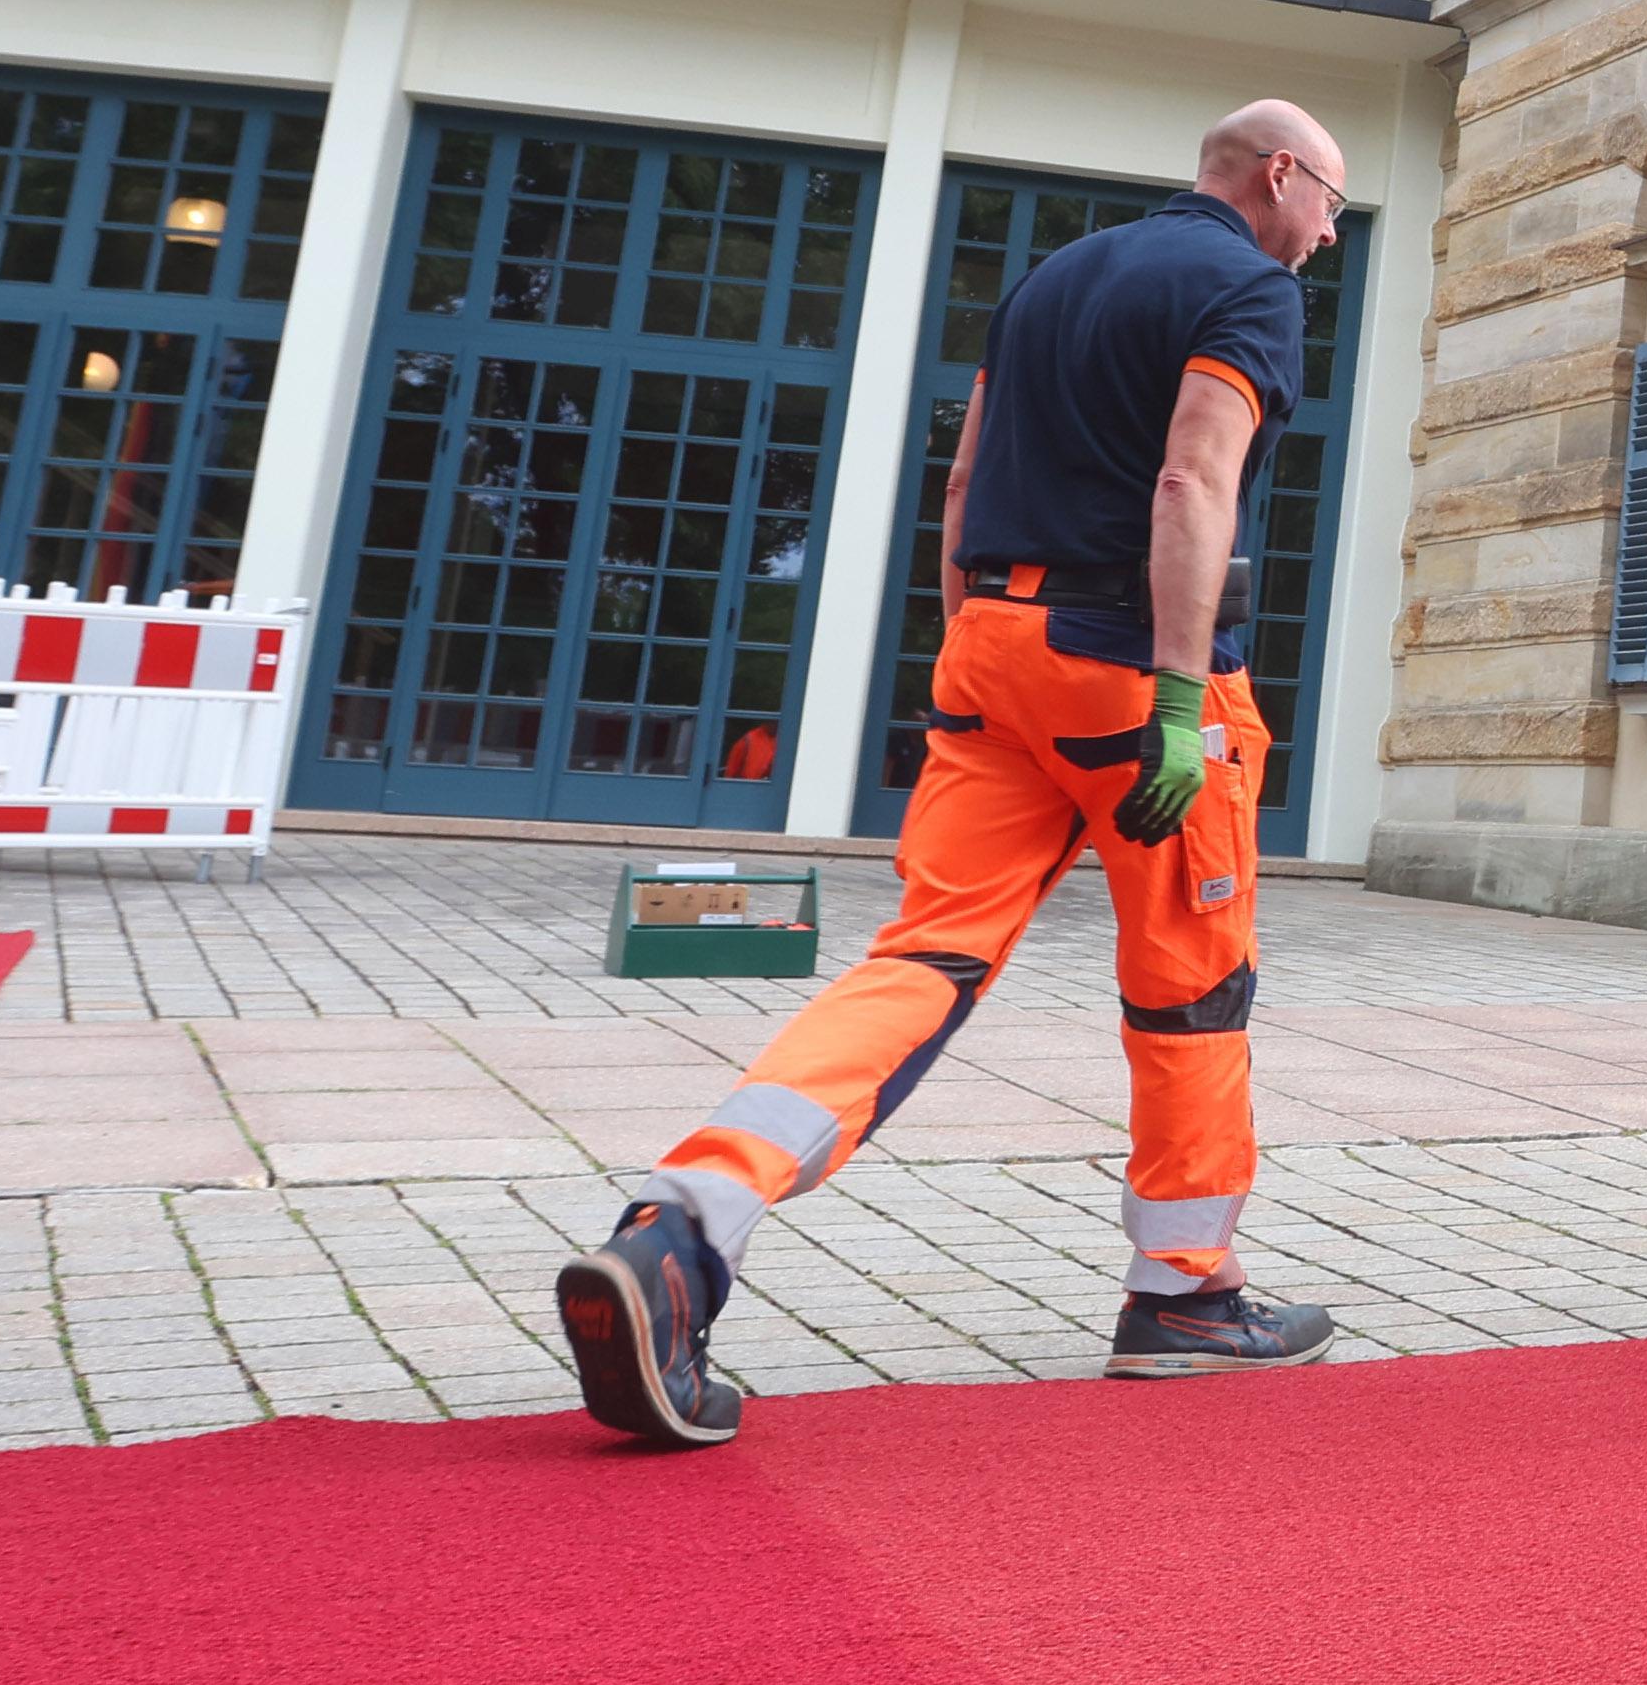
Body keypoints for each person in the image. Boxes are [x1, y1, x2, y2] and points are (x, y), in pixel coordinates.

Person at [551, 102, 1356, 1447]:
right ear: (1277, 175)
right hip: (1132, 666)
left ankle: (681, 1227)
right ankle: (1186, 1295)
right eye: (1328, 201)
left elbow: (964, 479)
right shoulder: (1248, 288)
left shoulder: (1051, 279)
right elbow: (1189, 483)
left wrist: (974, 647)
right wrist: (1174, 693)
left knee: (924, 957)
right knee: (1192, 990)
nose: (1325, 234)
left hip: (992, 647)